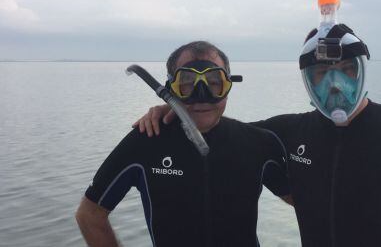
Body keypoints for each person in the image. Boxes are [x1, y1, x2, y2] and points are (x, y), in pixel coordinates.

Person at [135, 24, 381, 247]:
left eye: (345, 71)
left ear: (363, 70)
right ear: (306, 81)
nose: (335, 84)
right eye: (321, 74)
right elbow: (221, 133)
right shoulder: (287, 131)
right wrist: (173, 113)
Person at [75, 41, 291, 247]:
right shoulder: (147, 141)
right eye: (187, 84)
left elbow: (308, 201)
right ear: (171, 90)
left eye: (214, 83)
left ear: (228, 85)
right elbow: (90, 214)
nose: (202, 96)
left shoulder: (257, 143)